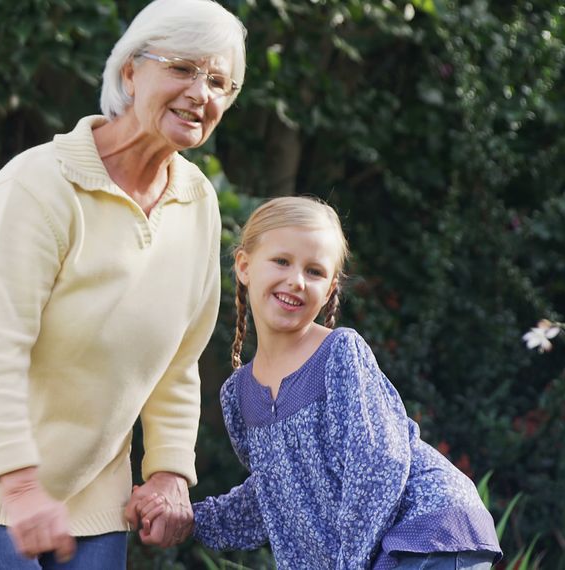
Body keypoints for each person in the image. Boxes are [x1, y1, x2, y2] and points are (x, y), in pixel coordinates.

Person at [0, 0, 247, 567]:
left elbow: (179, 360)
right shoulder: (37, 187)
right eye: (182, 68)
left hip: (92, 471)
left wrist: (169, 470)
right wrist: (20, 486)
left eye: (220, 80)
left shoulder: (197, 203)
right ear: (130, 72)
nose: (202, 93)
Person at [136, 197, 503, 568]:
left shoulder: (339, 354)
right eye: (281, 261)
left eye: (314, 271)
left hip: (427, 528)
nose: (296, 280)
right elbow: (275, 497)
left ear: (329, 289)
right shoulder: (238, 396)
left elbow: (378, 465)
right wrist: (189, 519)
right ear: (244, 266)